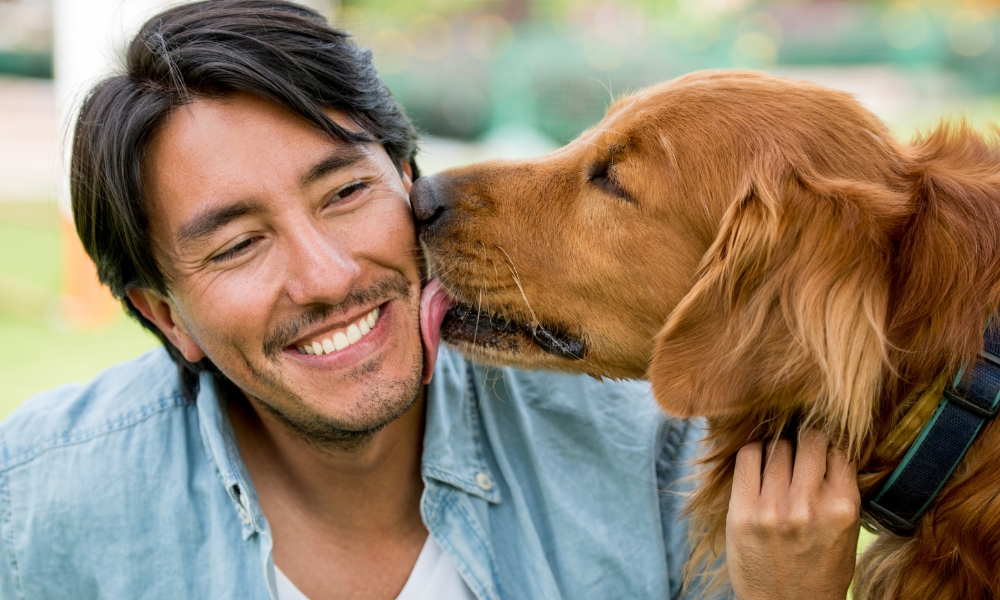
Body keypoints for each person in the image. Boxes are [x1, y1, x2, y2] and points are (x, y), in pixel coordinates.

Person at [0, 1, 861, 599]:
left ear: (407, 179)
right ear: (164, 317)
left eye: (344, 193)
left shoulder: (670, 461)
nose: (329, 276)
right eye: (237, 246)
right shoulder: (35, 503)